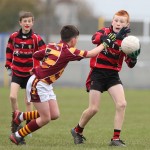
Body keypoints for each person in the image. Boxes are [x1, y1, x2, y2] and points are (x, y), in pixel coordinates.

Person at [9, 25, 117, 145]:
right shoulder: (68, 51)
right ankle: (17, 135)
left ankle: (20, 116)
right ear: (73, 40)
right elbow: (91, 54)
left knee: (54, 114)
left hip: (44, 84)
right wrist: (106, 42)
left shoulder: (52, 45)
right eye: (77, 39)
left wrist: (36, 67)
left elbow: (36, 55)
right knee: (45, 118)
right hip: (38, 84)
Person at [71, 10, 141, 147]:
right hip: (97, 73)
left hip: (112, 75)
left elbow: (130, 64)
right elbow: (95, 39)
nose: (118, 23)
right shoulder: (103, 31)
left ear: (127, 24)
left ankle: (115, 138)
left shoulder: (127, 41)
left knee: (122, 104)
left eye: (122, 21)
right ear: (112, 21)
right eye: (116, 20)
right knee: (94, 109)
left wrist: (133, 57)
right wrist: (114, 36)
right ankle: (77, 130)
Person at [5, 11, 46, 136]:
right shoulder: (13, 36)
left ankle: (29, 127)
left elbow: (45, 52)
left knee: (28, 102)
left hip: (30, 74)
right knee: (12, 96)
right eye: (25, 21)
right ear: (20, 23)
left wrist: (39, 68)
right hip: (17, 72)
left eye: (29, 21)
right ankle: (16, 122)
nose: (27, 23)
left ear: (32, 23)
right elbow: (9, 50)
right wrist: (8, 66)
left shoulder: (36, 38)